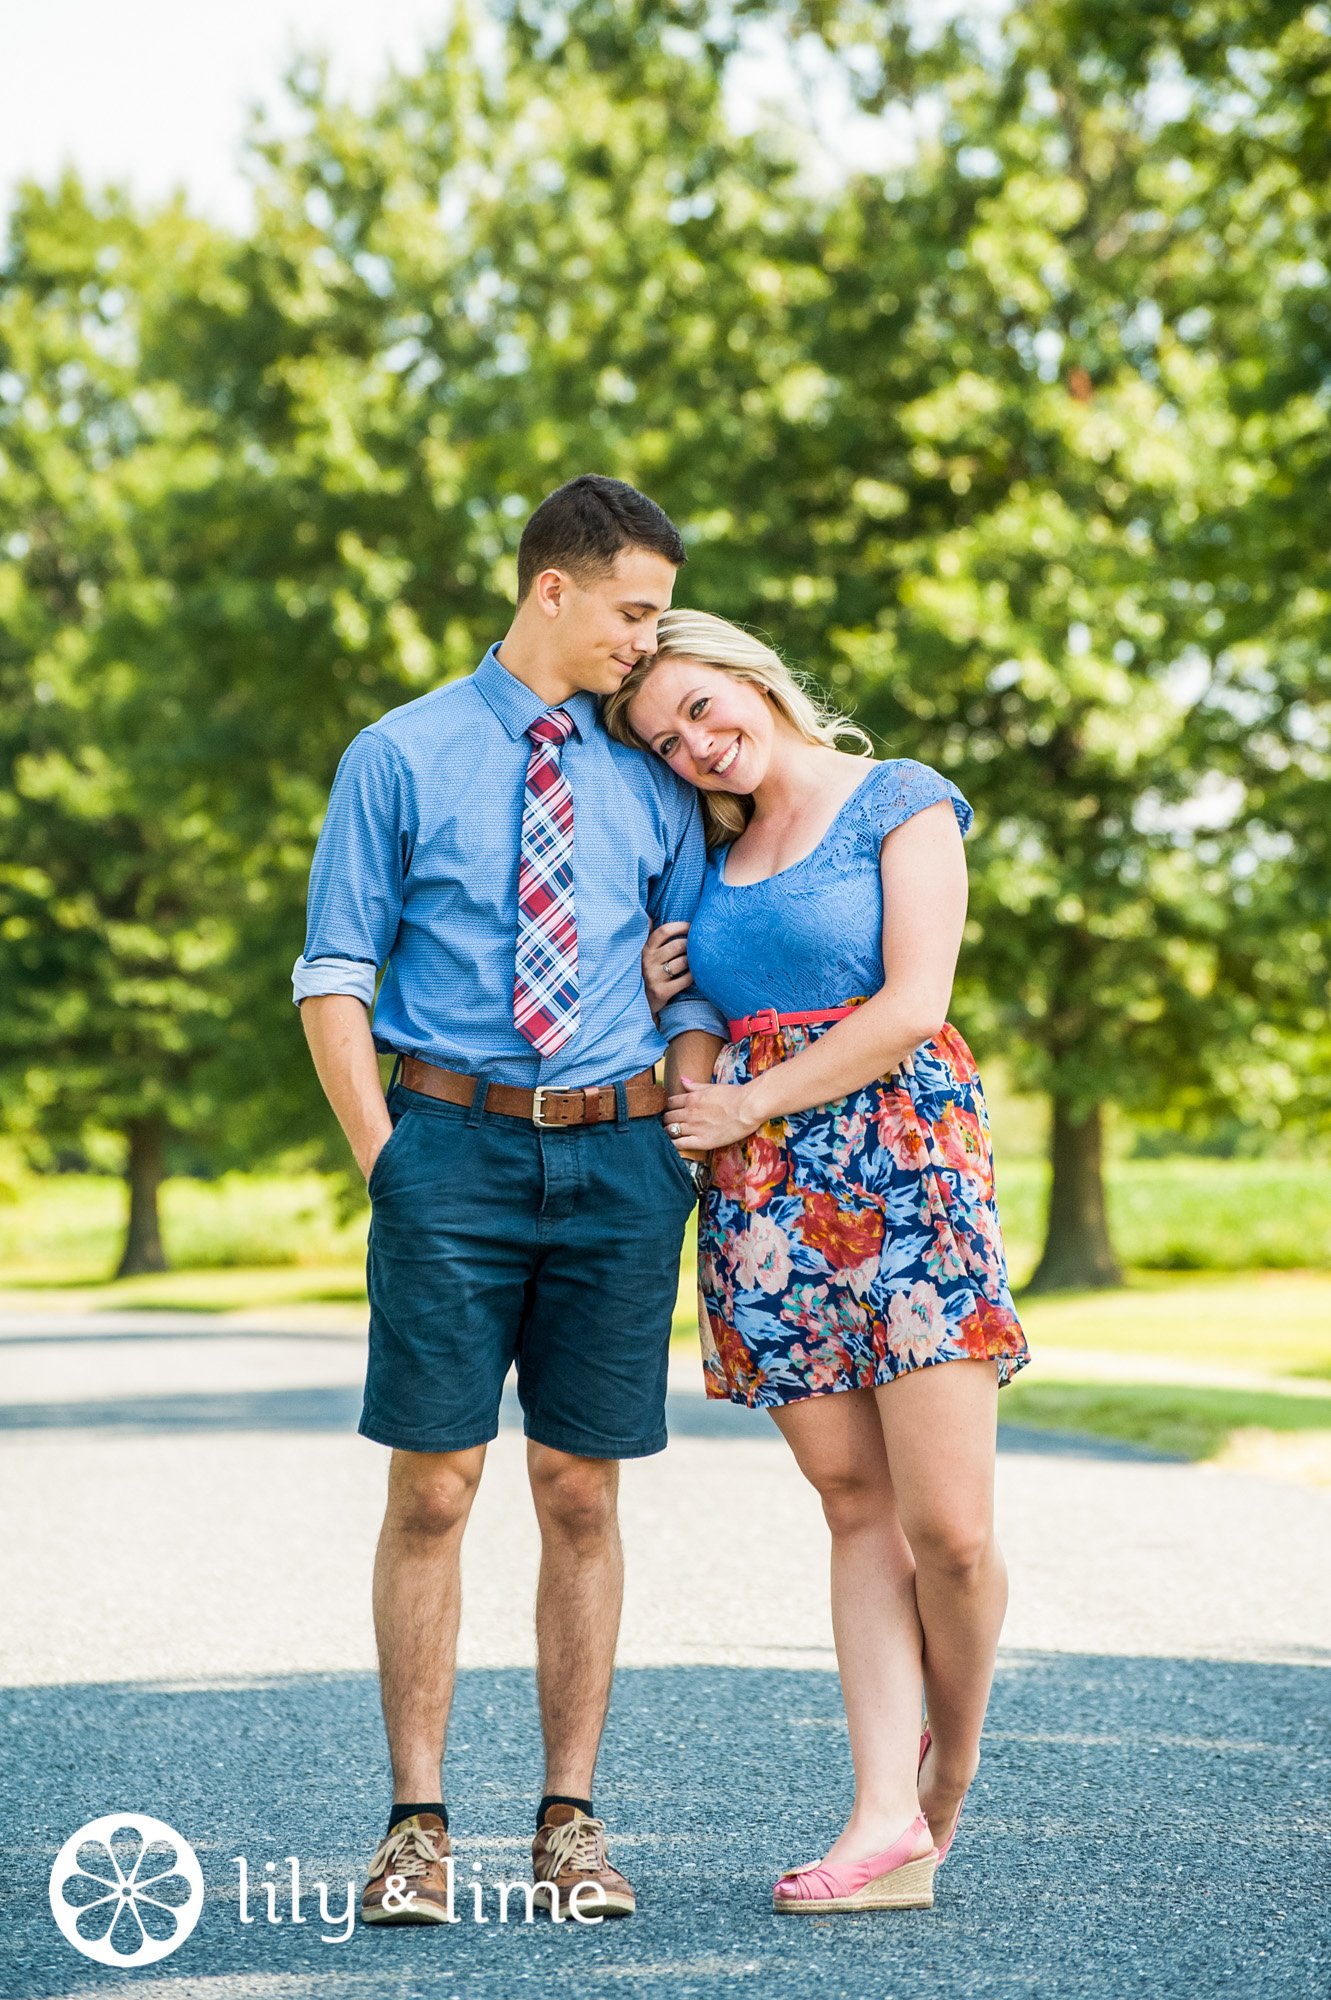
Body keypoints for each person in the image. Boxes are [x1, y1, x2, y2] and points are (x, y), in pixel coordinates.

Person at [294, 478, 725, 1925]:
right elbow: (334, 972)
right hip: (450, 1149)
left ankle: (569, 1824)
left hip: (617, 1159)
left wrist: (676, 1111)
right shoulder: (398, 755)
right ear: (553, 588)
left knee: (578, 1491)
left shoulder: (655, 779)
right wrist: (386, 1155)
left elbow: (694, 975)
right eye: (634, 610)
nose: (648, 642)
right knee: (435, 1484)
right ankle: (417, 1824)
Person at [604, 609, 1029, 1915]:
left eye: (698, 708)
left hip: (905, 1168)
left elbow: (913, 1004)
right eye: (667, 741)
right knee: (856, 1509)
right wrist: (674, 1014)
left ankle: (945, 1769)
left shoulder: (900, 803)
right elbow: (693, 1050)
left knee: (949, 1530)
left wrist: (747, 1097)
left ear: (749, 673)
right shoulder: (705, 858)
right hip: (766, 1200)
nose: (694, 746)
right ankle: (882, 1819)